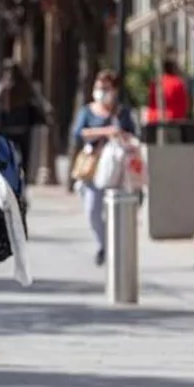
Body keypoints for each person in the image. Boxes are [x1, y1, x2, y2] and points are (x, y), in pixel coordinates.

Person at [71, 70, 137, 266]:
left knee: (117, 208)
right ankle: (105, 244)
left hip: (117, 168)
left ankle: (113, 246)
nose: (101, 92)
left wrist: (119, 135)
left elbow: (132, 136)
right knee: (92, 210)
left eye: (106, 88)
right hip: (93, 167)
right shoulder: (87, 111)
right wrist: (105, 131)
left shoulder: (122, 113)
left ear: (115, 90)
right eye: (98, 87)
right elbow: (78, 133)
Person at [145, 58, 190, 125]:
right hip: (173, 120)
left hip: (154, 119)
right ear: (173, 69)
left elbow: (150, 101)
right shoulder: (178, 83)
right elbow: (184, 105)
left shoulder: (155, 82)